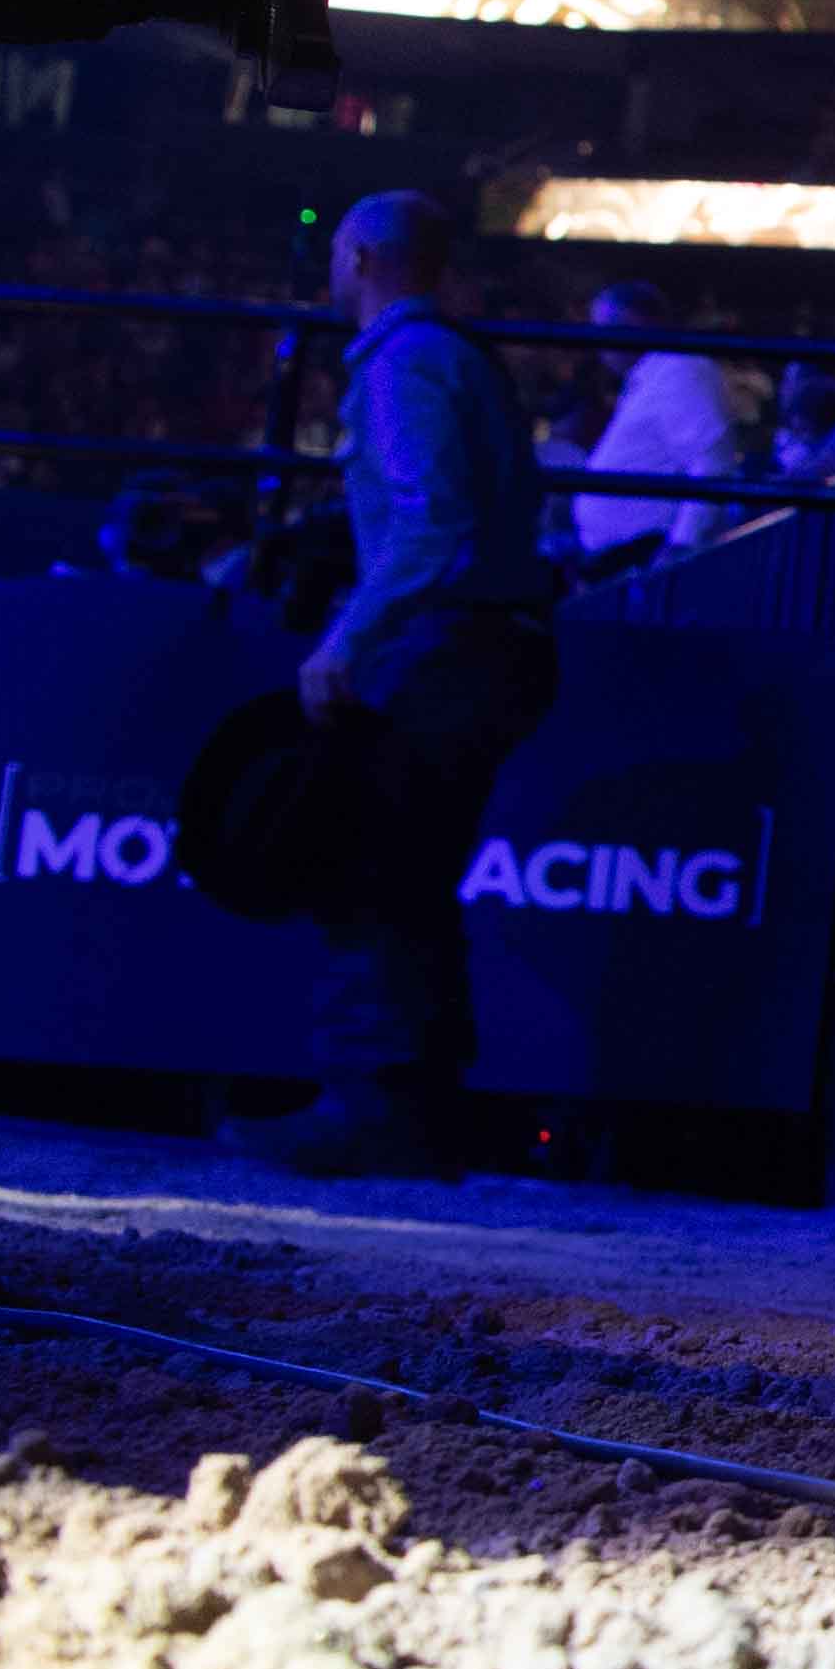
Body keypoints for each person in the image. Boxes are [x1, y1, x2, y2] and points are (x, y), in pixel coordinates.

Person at [235, 189, 559, 1179]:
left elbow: (430, 526)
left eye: (337, 252)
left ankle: (372, 1109)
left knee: (373, 864)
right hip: (488, 642)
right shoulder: (454, 357)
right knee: (411, 871)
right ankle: (416, 1112)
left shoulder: (404, 364)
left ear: (363, 257)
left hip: (444, 643)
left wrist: (345, 641)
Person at [564, 278, 766, 568]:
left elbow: (711, 462)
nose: (598, 346)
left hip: (651, 555)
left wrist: (682, 545)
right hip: (628, 555)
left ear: (632, 322)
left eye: (601, 329)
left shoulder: (679, 369)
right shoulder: (654, 374)